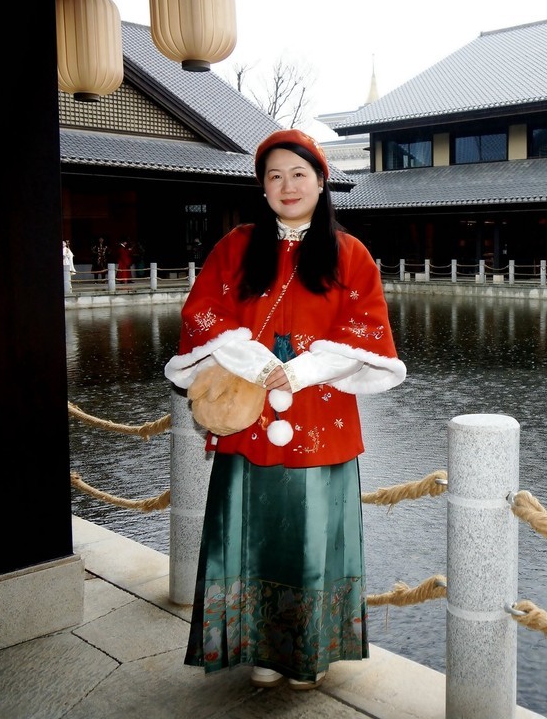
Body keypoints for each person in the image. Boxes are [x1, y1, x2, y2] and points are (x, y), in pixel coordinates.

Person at [163, 129, 407, 690]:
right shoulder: (236, 246)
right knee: (250, 532)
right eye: (274, 176)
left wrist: (299, 371)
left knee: (311, 536)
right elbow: (204, 312)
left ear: (322, 182)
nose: (287, 186)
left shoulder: (350, 253)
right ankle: (258, 647)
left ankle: (309, 650)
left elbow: (365, 331)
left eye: (299, 174)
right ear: (262, 187)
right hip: (249, 415)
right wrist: (255, 363)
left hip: (321, 413)